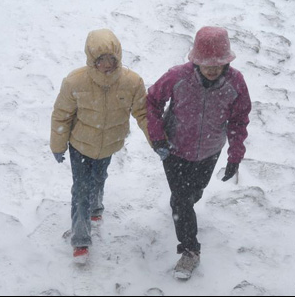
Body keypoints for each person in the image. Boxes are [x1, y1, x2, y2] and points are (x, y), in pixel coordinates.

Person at [147, 26, 251, 279]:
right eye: (207, 64)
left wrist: (234, 156)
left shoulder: (236, 83)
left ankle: (182, 207)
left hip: (210, 151)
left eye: (218, 64)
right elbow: (152, 101)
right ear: (195, 61)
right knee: (182, 199)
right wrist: (158, 136)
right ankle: (190, 250)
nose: (213, 69)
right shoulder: (177, 77)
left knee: (194, 193)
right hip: (175, 151)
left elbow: (239, 120)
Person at [50, 28, 149, 262]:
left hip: (108, 146)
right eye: (100, 60)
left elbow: (143, 113)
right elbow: (61, 115)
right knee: (81, 190)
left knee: (99, 178)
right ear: (90, 59)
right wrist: (58, 145)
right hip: (80, 146)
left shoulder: (132, 82)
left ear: (118, 57)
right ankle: (81, 240)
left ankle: (96, 209)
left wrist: (158, 142)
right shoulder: (75, 81)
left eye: (111, 59)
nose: (106, 65)